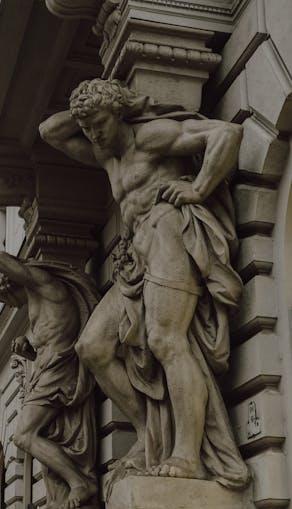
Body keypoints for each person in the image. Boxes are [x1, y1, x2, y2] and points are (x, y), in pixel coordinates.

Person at [39, 78, 250, 488]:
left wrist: (198, 188)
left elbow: (228, 133)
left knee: (166, 340)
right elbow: (49, 131)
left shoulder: (151, 137)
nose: (93, 134)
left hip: (168, 233)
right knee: (93, 347)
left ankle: (188, 455)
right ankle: (148, 434)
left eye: (99, 123)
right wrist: (88, 105)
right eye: (87, 128)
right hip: (136, 255)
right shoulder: (105, 154)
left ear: (119, 113)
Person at [0, 251, 101, 509]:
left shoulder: (45, 284)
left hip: (59, 372)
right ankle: (58, 498)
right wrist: (28, 348)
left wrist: (13, 267)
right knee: (50, 436)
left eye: (9, 300)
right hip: (46, 372)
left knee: (24, 435)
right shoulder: (37, 302)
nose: (14, 307)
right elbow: (49, 338)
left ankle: (81, 483)